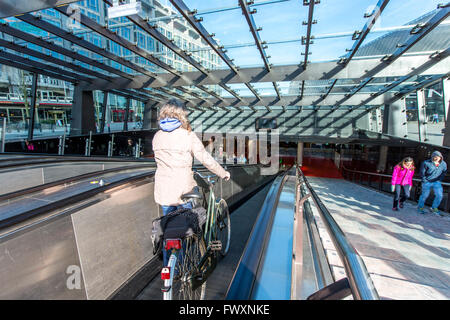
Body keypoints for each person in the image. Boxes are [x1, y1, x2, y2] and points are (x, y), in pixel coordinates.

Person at [152, 99, 231, 263]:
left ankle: (170, 268)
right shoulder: (188, 135)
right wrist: (223, 173)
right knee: (187, 229)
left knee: (169, 231)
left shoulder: (157, 136)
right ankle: (188, 265)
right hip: (184, 191)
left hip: (164, 191)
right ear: (181, 115)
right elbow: (206, 159)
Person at [417, 151, 447, 216]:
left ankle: (434, 208)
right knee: (424, 195)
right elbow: (422, 173)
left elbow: (444, 172)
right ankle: (420, 207)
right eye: (434, 157)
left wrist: (440, 179)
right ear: (432, 157)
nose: (436, 158)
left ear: (440, 157)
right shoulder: (426, 163)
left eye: (437, 157)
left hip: (437, 182)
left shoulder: (443, 164)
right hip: (427, 181)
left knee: (439, 195)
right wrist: (425, 180)